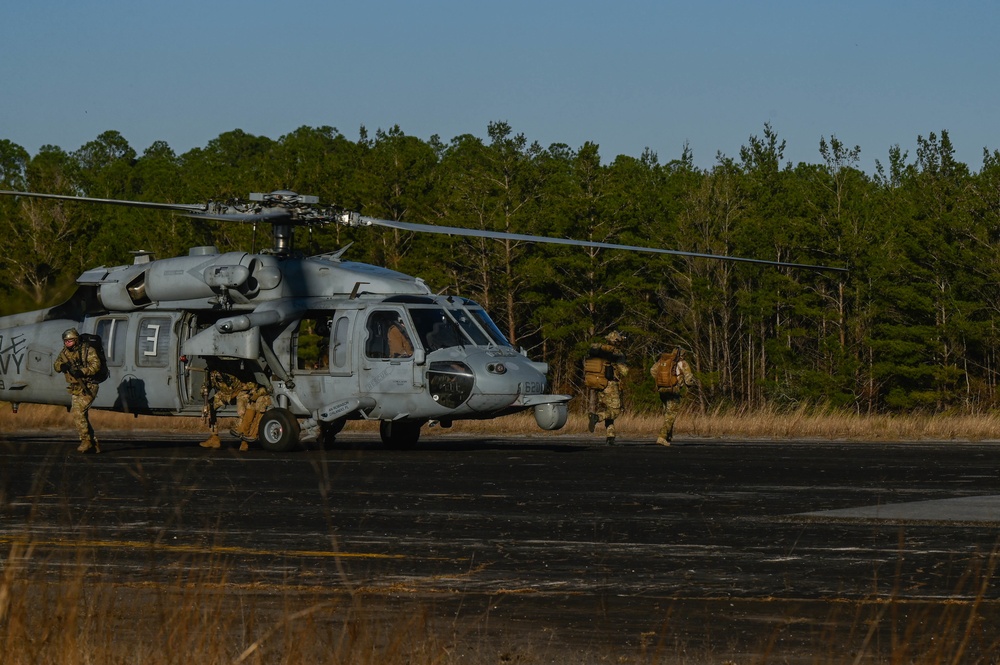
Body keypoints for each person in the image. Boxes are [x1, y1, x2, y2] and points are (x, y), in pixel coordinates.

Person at [52, 328, 103, 453]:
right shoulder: (65, 353)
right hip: (75, 388)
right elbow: (56, 365)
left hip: (89, 386)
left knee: (78, 412)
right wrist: (62, 366)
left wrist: (82, 371)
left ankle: (85, 440)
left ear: (76, 340)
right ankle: (93, 443)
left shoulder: (87, 350)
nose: (67, 343)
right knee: (81, 414)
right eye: (65, 341)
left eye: (70, 341)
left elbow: (96, 365)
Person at [199, 369, 272, 451]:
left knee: (242, 409)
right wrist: (204, 391)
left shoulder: (232, 367)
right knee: (209, 407)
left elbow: (251, 385)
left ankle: (244, 440)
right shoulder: (210, 372)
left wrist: (239, 391)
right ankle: (214, 438)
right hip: (225, 394)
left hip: (239, 392)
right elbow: (206, 386)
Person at [586, 330, 628, 446]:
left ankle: (610, 437)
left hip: (600, 386)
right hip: (611, 385)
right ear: (617, 342)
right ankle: (597, 417)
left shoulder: (600, 352)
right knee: (615, 411)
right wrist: (623, 365)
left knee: (609, 410)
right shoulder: (617, 353)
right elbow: (624, 372)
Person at [650, 348, 697, 446]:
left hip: (662, 389)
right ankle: (662, 437)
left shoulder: (663, 361)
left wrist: (661, 381)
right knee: (671, 414)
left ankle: (668, 436)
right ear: (683, 355)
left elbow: (653, 370)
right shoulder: (683, 363)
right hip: (673, 390)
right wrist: (690, 384)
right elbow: (688, 379)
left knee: (667, 412)